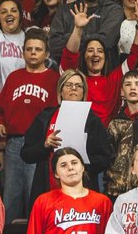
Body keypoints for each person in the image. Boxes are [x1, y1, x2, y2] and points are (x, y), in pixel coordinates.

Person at [22, 70, 114, 200]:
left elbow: (105, 157)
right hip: (48, 191)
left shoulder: (93, 120)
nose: (74, 88)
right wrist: (44, 145)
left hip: (82, 193)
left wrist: (80, 166)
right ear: (60, 90)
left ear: (83, 92)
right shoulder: (45, 116)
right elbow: (26, 154)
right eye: (69, 85)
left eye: (78, 86)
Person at [0, 29, 59, 216]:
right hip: (13, 143)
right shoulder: (14, 77)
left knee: (35, 195)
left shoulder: (54, 79)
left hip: (40, 145)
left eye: (38, 49)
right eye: (29, 49)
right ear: (23, 52)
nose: (33, 53)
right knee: (11, 198)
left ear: (46, 54)